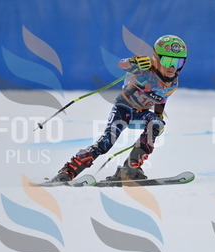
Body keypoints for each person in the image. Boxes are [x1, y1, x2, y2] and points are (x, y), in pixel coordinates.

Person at [48, 35, 187, 182]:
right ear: (156, 59)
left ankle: (131, 168)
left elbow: (161, 98)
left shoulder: (173, 82)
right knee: (106, 143)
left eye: (178, 62)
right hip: (123, 109)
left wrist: (158, 115)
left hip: (142, 114)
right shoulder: (145, 68)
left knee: (156, 124)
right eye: (168, 61)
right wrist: (133, 62)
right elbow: (122, 64)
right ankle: (68, 171)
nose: (172, 67)